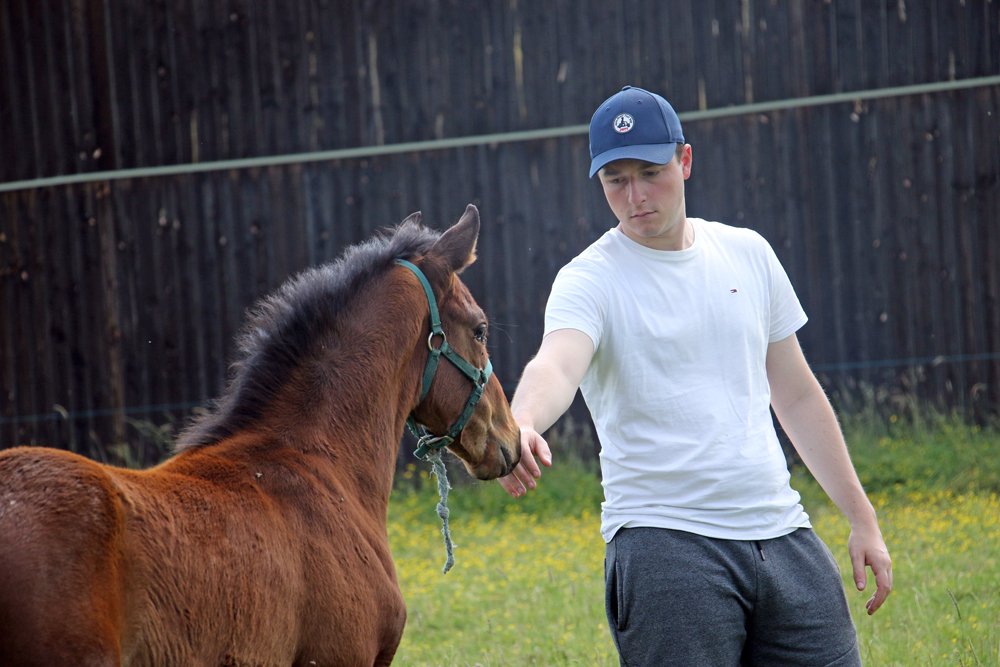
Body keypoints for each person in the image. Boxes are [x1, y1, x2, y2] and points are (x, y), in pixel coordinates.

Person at [498, 85, 893, 666]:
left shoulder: (748, 253)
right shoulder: (588, 279)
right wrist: (524, 419)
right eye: (615, 180)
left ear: (684, 160)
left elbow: (797, 395)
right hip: (665, 548)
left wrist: (863, 518)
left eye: (650, 173)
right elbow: (557, 362)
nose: (635, 196)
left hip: (782, 533)